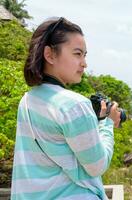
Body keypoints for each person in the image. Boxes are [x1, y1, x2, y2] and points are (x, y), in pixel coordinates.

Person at [11, 17, 121, 199]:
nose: (84, 63)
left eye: (85, 55)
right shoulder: (74, 105)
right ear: (50, 55)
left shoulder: (28, 99)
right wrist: (107, 123)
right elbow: (97, 166)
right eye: (77, 54)